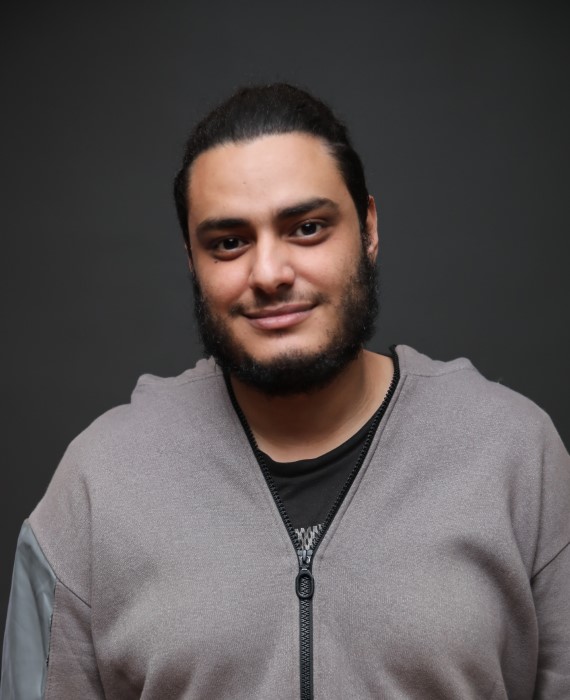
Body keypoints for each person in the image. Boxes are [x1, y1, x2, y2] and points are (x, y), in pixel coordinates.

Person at [1, 84, 568, 700]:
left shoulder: (515, 454)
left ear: (368, 229)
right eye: (229, 242)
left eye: (307, 228)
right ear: (192, 260)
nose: (269, 273)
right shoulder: (98, 482)